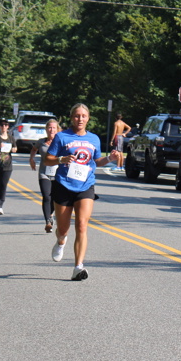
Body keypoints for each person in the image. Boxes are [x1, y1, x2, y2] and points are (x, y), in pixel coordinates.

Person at [47, 104, 122, 281]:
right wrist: (61, 159)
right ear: (71, 117)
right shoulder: (61, 136)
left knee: (81, 225)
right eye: (76, 116)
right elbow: (47, 160)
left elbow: (97, 161)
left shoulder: (94, 139)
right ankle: (61, 241)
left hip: (85, 186)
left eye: (83, 116)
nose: (80, 119)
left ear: (88, 118)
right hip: (64, 185)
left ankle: (78, 267)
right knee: (63, 229)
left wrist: (110, 158)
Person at [29, 118, 60, 233]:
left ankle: (50, 215)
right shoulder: (41, 142)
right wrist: (31, 159)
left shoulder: (60, 142)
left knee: (55, 198)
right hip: (44, 173)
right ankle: (48, 221)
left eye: (54, 128)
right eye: (49, 127)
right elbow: (34, 149)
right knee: (47, 196)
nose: (51, 130)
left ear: (57, 130)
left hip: (57, 174)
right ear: (46, 129)